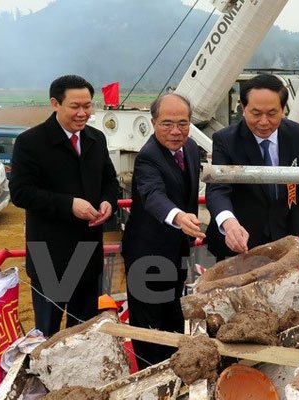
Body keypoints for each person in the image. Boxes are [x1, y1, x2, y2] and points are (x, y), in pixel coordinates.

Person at [9, 75, 119, 337]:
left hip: (88, 252)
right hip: (50, 255)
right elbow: (21, 193)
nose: (83, 113)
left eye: (88, 106)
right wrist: (69, 205)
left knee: (84, 332)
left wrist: (108, 202)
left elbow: (109, 180)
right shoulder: (30, 143)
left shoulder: (96, 139)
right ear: (55, 103)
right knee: (47, 333)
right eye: (75, 106)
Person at [121, 94, 205, 368]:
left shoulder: (190, 148)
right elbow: (153, 195)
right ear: (153, 122)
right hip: (147, 253)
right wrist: (179, 217)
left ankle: (174, 370)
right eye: (167, 124)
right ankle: (150, 375)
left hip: (176, 249)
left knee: (172, 313)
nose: (175, 131)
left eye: (182, 123)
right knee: (147, 324)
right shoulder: (147, 158)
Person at [205, 74, 299, 260]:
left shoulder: (296, 134)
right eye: (256, 113)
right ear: (243, 108)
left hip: (284, 239)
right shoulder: (226, 140)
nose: (263, 121)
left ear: (283, 109)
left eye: (272, 113)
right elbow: (218, 189)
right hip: (239, 242)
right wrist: (229, 223)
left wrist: (298, 238)